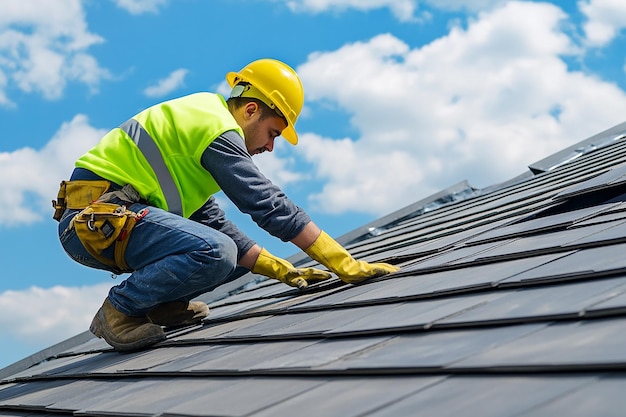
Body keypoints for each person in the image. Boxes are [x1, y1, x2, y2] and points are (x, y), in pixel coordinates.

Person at [53, 58, 399, 352]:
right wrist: (344, 263)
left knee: (229, 256)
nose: (270, 147)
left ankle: (156, 306)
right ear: (251, 110)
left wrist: (280, 269)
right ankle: (120, 310)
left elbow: (209, 219)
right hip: (90, 223)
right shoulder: (215, 127)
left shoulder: (200, 127)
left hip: (116, 220)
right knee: (217, 252)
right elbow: (265, 202)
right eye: (273, 133)